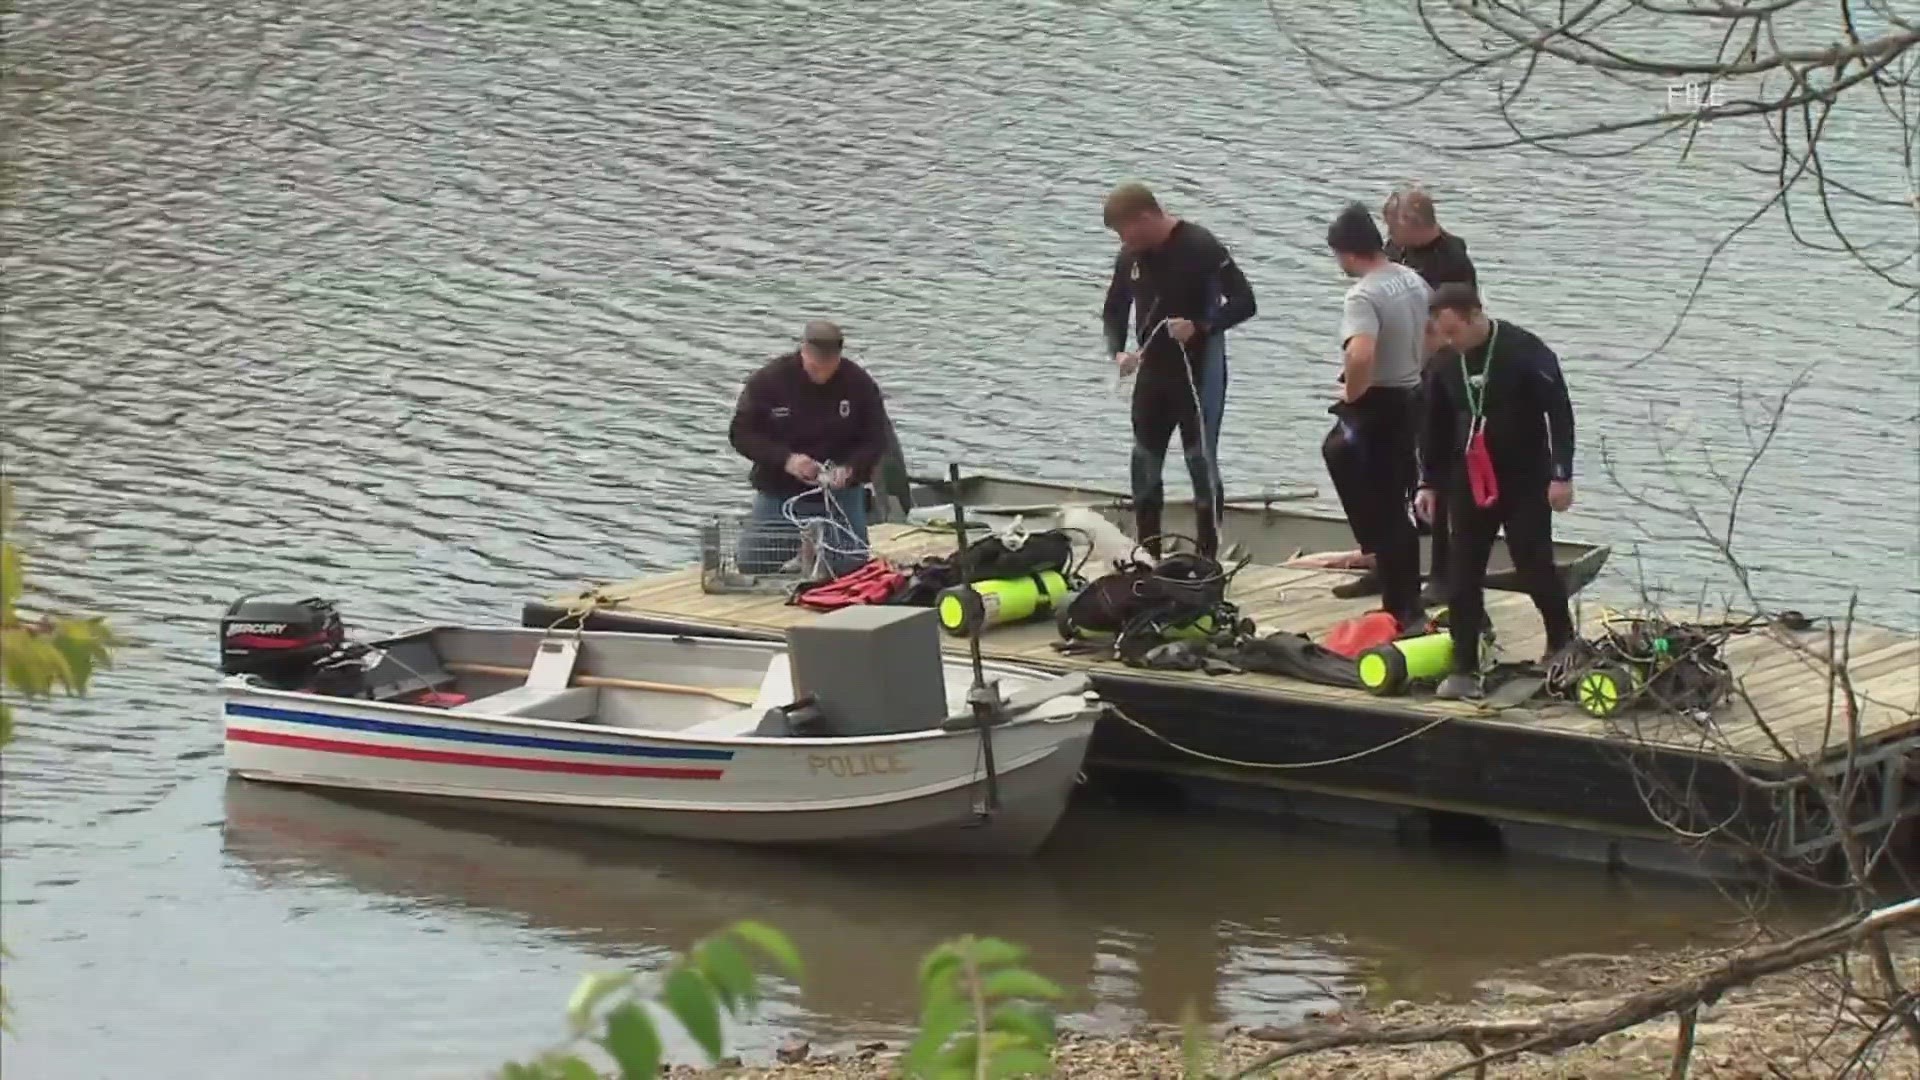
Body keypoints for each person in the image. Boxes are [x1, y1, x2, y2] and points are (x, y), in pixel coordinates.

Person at [1416, 282, 1577, 700]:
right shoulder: (1445, 362)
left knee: (1532, 559)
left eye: (1455, 331)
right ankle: (1464, 664)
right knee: (1463, 570)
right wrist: (1428, 483)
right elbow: (1431, 426)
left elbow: (1559, 412)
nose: (1449, 340)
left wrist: (1561, 474)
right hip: (1467, 476)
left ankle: (1561, 639)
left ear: (1474, 316)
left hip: (1525, 475)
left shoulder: (1524, 351)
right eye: (1442, 333)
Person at [1100, 182, 1257, 559]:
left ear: (1146, 217)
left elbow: (1244, 301)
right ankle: (1148, 550)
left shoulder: (1200, 247)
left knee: (1199, 461)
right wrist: (1118, 352)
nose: (1124, 241)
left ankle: (1208, 554)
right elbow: (1114, 309)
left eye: (1125, 231)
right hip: (1153, 376)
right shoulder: (1131, 257)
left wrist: (1200, 326)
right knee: (1144, 461)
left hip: (1198, 372)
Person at [1322, 201, 1430, 629]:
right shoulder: (1412, 279)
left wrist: (1352, 392)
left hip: (1380, 404)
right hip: (1413, 395)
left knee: (1380, 502)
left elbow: (1361, 351)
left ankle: (1403, 606)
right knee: (1394, 498)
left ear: (1348, 253)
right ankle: (1395, 586)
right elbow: (1432, 336)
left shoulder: (1363, 294)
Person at [727, 320, 893, 578]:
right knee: (752, 563)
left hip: (839, 493)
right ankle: (798, 550)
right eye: (815, 367)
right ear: (803, 351)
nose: (822, 374)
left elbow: (876, 439)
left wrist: (850, 468)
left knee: (851, 568)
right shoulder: (769, 381)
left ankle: (825, 558)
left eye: (829, 367)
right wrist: (787, 460)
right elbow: (741, 434)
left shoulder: (859, 384)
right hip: (781, 489)